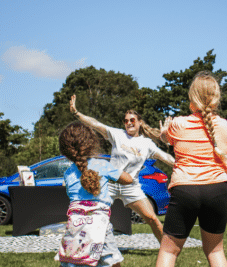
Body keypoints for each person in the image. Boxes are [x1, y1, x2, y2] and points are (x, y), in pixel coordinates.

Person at [141, 71, 227, 267]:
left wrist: (163, 133)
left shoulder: (178, 124)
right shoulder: (226, 127)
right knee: (215, 250)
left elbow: (167, 139)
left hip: (185, 190)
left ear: (192, 99)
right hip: (217, 189)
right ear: (216, 98)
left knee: (169, 250)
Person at [38, 122, 135, 267]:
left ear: (66, 151)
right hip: (99, 227)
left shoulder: (68, 173)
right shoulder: (104, 166)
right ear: (92, 143)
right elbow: (127, 179)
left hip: (75, 227)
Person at [69, 95, 175, 242]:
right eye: (126, 121)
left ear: (140, 122)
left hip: (131, 187)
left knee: (152, 218)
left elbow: (166, 158)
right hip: (109, 185)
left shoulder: (147, 144)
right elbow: (95, 124)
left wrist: (184, 165)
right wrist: (77, 113)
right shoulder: (117, 135)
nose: (129, 123)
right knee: (93, 216)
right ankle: (81, 248)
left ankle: (167, 250)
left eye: (132, 120)